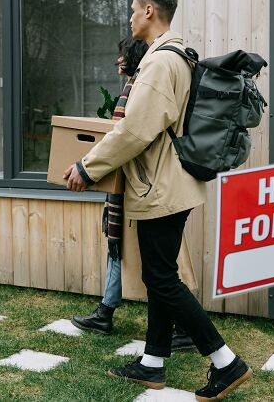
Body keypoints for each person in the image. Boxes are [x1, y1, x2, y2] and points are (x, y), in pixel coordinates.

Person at [63, 0, 252, 400]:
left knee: (162, 278)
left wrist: (86, 167)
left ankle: (226, 360)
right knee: (159, 275)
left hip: (159, 188)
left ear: (149, 11)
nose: (130, 17)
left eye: (134, 9)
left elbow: (134, 130)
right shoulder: (178, 55)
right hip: (171, 184)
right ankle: (152, 362)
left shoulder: (160, 61)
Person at [70, 37, 196, 353]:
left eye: (122, 56)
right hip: (149, 187)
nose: (117, 62)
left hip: (141, 188)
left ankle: (200, 340)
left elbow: (126, 135)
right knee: (157, 268)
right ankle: (152, 352)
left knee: (160, 271)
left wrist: (88, 168)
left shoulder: (138, 86)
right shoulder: (150, 78)